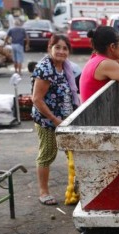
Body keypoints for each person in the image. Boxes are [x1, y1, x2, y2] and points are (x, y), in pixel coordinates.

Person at [31, 35, 80, 206]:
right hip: (47, 121)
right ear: (49, 48)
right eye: (57, 47)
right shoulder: (45, 68)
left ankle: (75, 190)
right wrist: (54, 119)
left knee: (73, 154)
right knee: (47, 154)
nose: (61, 51)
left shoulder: (67, 67)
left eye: (65, 48)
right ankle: (44, 192)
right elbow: (37, 99)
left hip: (66, 119)